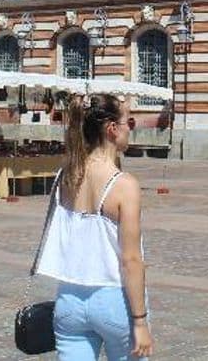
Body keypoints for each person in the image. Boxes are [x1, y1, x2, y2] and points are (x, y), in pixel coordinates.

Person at [36, 93, 152, 359]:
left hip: (70, 300)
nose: (130, 130)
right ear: (112, 129)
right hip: (114, 300)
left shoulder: (65, 175)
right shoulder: (124, 185)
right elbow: (131, 260)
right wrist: (140, 321)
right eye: (129, 123)